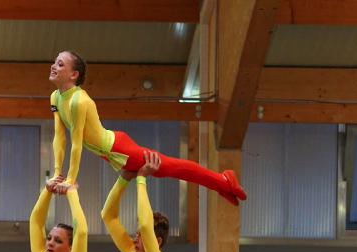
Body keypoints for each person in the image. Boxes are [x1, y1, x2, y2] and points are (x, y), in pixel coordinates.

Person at [47, 50, 246, 205]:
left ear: (74, 74)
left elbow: (76, 143)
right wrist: (57, 174)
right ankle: (220, 184)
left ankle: (223, 179)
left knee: (170, 167)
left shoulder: (79, 101)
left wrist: (71, 179)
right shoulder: (55, 97)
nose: (53, 66)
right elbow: (60, 137)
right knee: (165, 169)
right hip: (110, 153)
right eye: (55, 62)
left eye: (60, 64)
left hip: (118, 148)